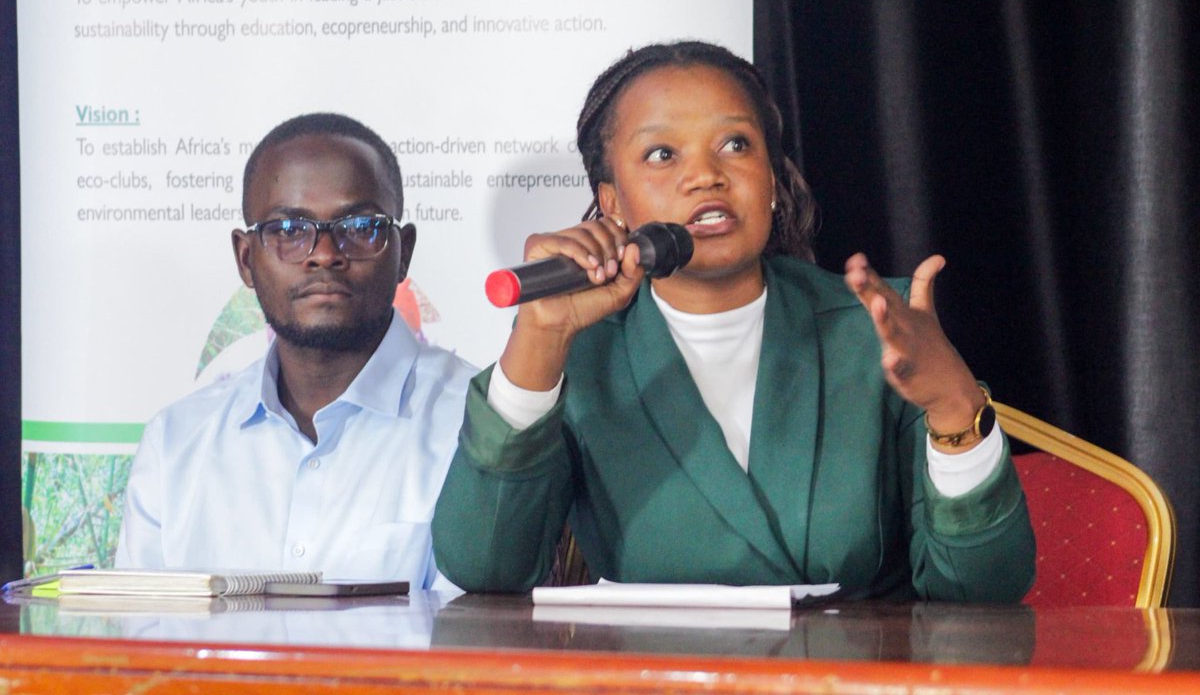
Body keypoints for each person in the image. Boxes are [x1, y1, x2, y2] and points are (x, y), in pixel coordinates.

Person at [432, 41, 1035, 600]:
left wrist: (955, 405)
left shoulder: (880, 327)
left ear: (772, 179)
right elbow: (484, 566)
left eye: (736, 145)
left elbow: (984, 589)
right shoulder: (576, 353)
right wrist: (541, 336)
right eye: (662, 154)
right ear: (612, 202)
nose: (705, 175)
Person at [117, 113, 475, 589]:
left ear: (402, 250)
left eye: (360, 226)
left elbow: (473, 647)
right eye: (288, 229)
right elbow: (138, 645)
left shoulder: (474, 426)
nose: (324, 253)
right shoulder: (177, 442)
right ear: (246, 258)